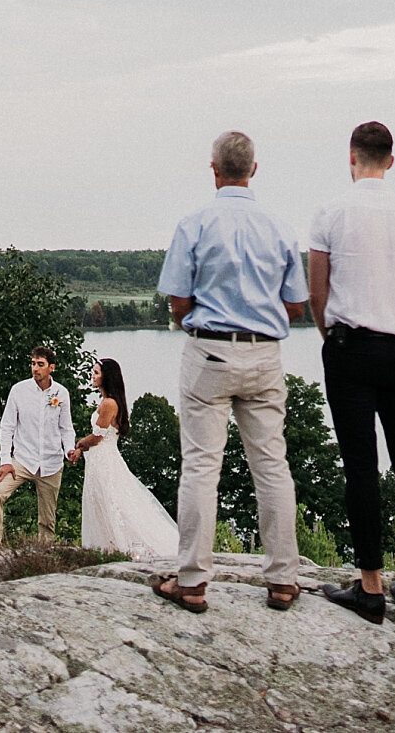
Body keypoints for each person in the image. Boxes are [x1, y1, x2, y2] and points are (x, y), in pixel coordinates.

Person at [152, 130, 308, 614]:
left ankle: (193, 581)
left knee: (201, 466)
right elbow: (297, 305)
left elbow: (178, 300)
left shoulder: (194, 224)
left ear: (214, 170)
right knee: (272, 465)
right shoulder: (279, 228)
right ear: (253, 169)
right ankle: (283, 580)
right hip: (264, 356)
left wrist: (195, 323)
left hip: (209, 354)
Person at [308, 121, 395, 624]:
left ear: (351, 157)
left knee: (360, 466)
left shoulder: (331, 213)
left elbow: (318, 292)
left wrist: (331, 339)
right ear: (390, 159)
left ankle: (370, 587)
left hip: (351, 348)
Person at [74, 357, 178, 559]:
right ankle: (106, 546)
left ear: (107, 377)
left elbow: (97, 437)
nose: (92, 376)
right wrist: (82, 449)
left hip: (105, 459)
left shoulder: (109, 404)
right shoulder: (106, 401)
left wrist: (79, 444)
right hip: (98, 458)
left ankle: (122, 546)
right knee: (99, 502)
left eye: (96, 373)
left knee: (113, 501)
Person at [0, 346, 73, 547]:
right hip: (23, 460)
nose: (35, 368)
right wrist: (5, 461)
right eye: (33, 363)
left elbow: (66, 428)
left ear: (51, 367)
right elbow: (6, 427)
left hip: (51, 463)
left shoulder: (62, 393)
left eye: (40, 364)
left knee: (47, 519)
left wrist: (69, 450)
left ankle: (45, 555)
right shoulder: (19, 390)